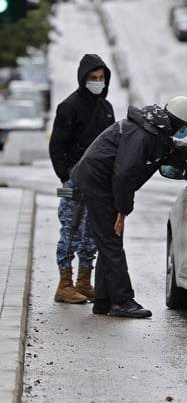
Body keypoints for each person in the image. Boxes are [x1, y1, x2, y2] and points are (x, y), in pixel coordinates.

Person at [70, 96, 187, 318]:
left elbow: (167, 147)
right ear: (179, 122)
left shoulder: (155, 130)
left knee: (110, 241)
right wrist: (122, 209)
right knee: (111, 241)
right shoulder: (143, 134)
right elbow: (124, 174)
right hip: (98, 183)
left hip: (102, 182)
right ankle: (122, 301)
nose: (186, 130)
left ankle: (103, 300)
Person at [49, 54, 116, 304]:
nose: (98, 82)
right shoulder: (69, 107)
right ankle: (64, 284)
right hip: (76, 181)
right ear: (83, 79)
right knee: (71, 229)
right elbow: (58, 146)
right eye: (93, 78)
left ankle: (84, 282)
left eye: (101, 78)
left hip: (99, 182)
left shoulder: (106, 108)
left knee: (92, 233)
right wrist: (65, 177)